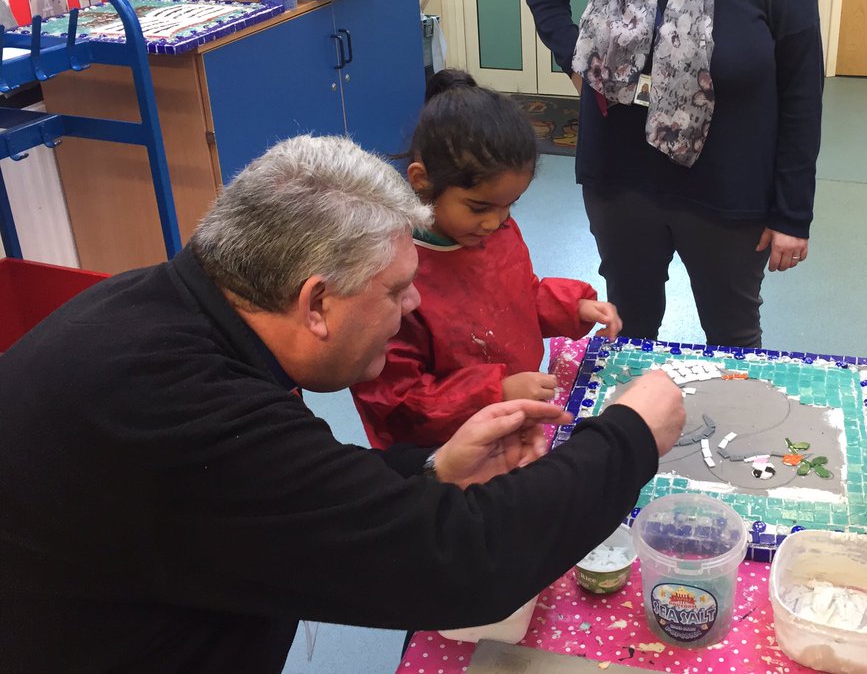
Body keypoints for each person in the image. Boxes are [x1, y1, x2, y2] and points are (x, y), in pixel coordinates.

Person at [0, 134, 685, 673]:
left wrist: (430, 471)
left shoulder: (172, 309)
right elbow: (465, 563)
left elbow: (284, 490)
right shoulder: (176, 409)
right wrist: (629, 435)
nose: (413, 305)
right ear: (317, 303)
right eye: (395, 292)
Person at [526, 0, 824, 349]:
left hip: (727, 187)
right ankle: (628, 438)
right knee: (628, 329)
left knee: (732, 338)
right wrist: (576, 58)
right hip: (619, 180)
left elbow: (801, 84)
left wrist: (793, 212)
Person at [351, 70, 622, 447]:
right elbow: (398, 402)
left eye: (509, 205)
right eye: (479, 207)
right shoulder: (392, 274)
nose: (494, 222)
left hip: (511, 417)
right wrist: (497, 391)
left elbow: (518, 296)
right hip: (444, 451)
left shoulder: (497, 231)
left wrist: (573, 307)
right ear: (420, 180)